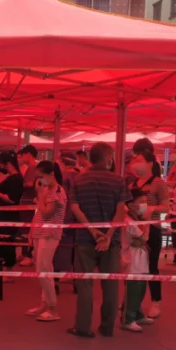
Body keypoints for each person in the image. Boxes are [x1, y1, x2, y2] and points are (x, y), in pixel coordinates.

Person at [68, 143, 131, 338]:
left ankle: (83, 327)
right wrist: (108, 235)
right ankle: (107, 326)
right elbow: (120, 211)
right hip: (111, 242)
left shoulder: (79, 179)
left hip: (84, 239)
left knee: (85, 284)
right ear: (107, 159)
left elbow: (75, 208)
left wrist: (92, 230)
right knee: (111, 285)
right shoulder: (118, 181)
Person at [128, 151, 170, 319]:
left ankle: (155, 301)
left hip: (152, 228)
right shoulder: (133, 183)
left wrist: (151, 209)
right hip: (134, 228)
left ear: (150, 163)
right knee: (133, 266)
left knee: (151, 266)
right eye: (135, 160)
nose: (135, 163)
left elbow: (166, 206)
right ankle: (132, 302)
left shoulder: (158, 183)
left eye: (139, 160)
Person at [25, 160, 68, 322]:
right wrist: (31, 232)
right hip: (40, 232)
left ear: (50, 174)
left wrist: (39, 195)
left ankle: (52, 307)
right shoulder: (46, 190)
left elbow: (48, 212)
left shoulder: (57, 191)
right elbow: (39, 213)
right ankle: (45, 303)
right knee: (44, 269)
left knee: (43, 269)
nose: (38, 180)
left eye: (40, 176)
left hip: (49, 234)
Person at [120, 189, 154, 332]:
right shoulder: (128, 221)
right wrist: (148, 222)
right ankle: (128, 319)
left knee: (141, 288)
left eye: (145, 201)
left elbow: (142, 240)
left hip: (141, 257)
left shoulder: (138, 220)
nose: (144, 205)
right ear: (131, 204)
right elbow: (144, 238)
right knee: (133, 290)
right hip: (131, 259)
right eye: (141, 202)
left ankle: (138, 315)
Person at [0, 151, 25, 267]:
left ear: (8, 164)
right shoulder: (10, 178)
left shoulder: (15, 180)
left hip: (8, 217)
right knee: (4, 243)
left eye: (0, 164)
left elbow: (11, 199)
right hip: (3, 215)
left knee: (6, 243)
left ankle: (7, 267)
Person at [17, 145, 39, 267]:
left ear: (29, 154)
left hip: (28, 203)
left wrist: (23, 184)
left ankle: (28, 255)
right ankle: (26, 253)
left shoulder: (32, 168)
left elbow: (30, 184)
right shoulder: (36, 167)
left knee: (26, 229)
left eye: (23, 155)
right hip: (31, 202)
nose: (21, 158)